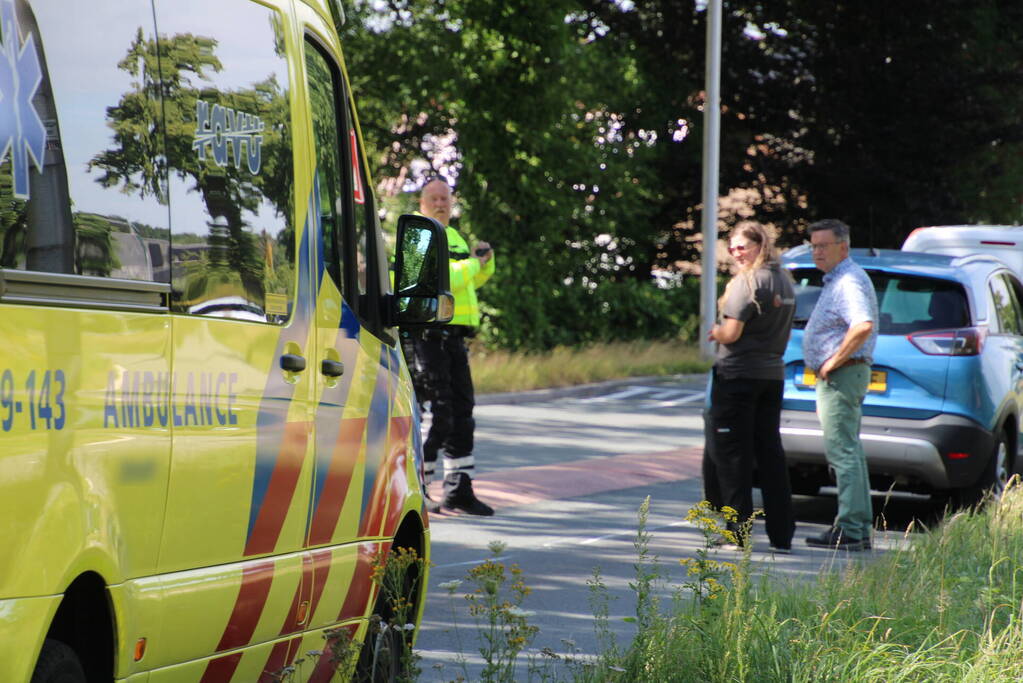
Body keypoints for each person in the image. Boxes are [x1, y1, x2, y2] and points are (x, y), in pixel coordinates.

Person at [404, 178, 496, 516]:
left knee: (462, 411)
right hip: (428, 335)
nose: (441, 203)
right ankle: (419, 487)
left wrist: (486, 263)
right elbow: (444, 277)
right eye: (434, 198)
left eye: (445, 197)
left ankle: (459, 489)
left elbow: (470, 283)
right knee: (439, 412)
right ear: (422, 201)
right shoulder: (419, 233)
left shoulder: (453, 235)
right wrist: (474, 264)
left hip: (454, 335)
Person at [706, 222, 796, 552]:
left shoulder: (748, 282)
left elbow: (732, 333)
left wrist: (717, 332)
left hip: (738, 375)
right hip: (772, 376)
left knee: (731, 456)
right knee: (770, 453)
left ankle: (736, 532)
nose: (736, 253)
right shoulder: (785, 281)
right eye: (732, 247)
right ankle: (782, 533)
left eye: (742, 246)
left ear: (760, 246)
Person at [802, 219, 878, 550]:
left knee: (842, 452)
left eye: (823, 245)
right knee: (849, 450)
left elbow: (862, 325)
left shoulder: (848, 281)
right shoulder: (840, 278)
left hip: (843, 374)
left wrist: (833, 360)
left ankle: (850, 528)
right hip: (844, 374)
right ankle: (856, 527)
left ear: (843, 247)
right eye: (813, 245)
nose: (816, 251)